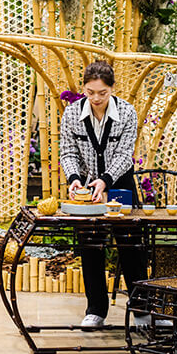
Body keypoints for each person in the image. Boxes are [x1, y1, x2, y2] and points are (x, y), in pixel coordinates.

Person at [59, 60, 151, 329]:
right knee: (91, 247)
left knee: (132, 247)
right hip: (88, 189)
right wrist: (75, 179)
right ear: (84, 88)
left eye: (102, 92)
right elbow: (68, 152)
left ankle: (141, 309)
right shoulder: (71, 114)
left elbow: (125, 155)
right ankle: (95, 309)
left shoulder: (127, 112)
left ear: (112, 89)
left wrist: (106, 180)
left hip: (120, 187)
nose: (96, 98)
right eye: (90, 92)